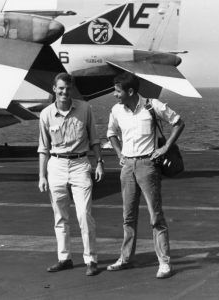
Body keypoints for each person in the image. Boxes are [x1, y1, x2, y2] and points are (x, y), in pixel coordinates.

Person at [106, 72, 185, 279]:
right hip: (127, 168)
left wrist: (166, 148)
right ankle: (125, 258)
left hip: (147, 166)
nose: (115, 95)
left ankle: (164, 262)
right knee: (128, 216)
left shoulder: (152, 105)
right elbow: (111, 133)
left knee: (155, 216)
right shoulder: (116, 110)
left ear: (130, 91)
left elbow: (178, 122)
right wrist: (119, 154)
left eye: (117, 91)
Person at [38, 72, 105, 276]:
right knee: (60, 216)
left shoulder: (85, 109)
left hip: (80, 164)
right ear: (54, 89)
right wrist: (41, 176)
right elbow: (43, 148)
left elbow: (94, 139)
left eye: (68, 88)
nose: (64, 92)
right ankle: (64, 258)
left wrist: (99, 162)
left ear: (71, 89)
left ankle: (91, 259)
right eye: (60, 88)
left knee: (84, 214)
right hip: (56, 166)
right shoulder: (46, 114)